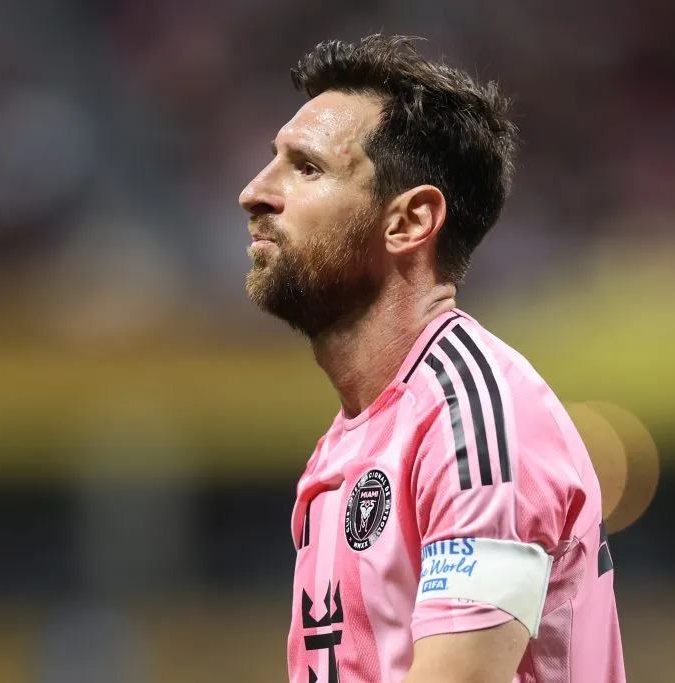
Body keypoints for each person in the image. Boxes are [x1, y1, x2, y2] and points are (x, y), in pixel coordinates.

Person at [238, 34, 625, 683]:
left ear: (410, 221)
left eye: (306, 168)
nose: (254, 191)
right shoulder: (351, 441)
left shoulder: (472, 418)